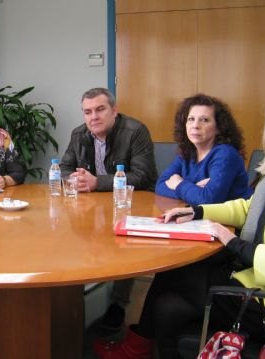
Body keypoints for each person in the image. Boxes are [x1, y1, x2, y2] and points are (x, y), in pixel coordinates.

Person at [94, 76, 265, 359]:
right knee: (169, 301)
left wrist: (232, 242)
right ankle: (142, 346)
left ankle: (137, 346)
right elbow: (248, 208)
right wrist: (198, 211)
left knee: (174, 280)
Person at [60, 87, 158, 333]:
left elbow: (143, 177)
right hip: (92, 203)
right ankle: (70, 299)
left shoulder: (135, 131)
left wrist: (97, 182)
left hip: (130, 202)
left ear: (114, 111)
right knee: (74, 235)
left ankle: (119, 303)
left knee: (123, 245)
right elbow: (64, 167)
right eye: (87, 112)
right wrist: (76, 178)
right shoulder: (78, 134)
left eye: (100, 109)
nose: (93, 117)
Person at [155, 93, 253, 206]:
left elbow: (208, 200)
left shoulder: (226, 154)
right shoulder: (187, 152)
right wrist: (195, 189)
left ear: (219, 128)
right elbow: (160, 186)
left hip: (231, 222)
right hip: (201, 218)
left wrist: (179, 184)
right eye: (191, 119)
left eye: (204, 120)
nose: (195, 125)